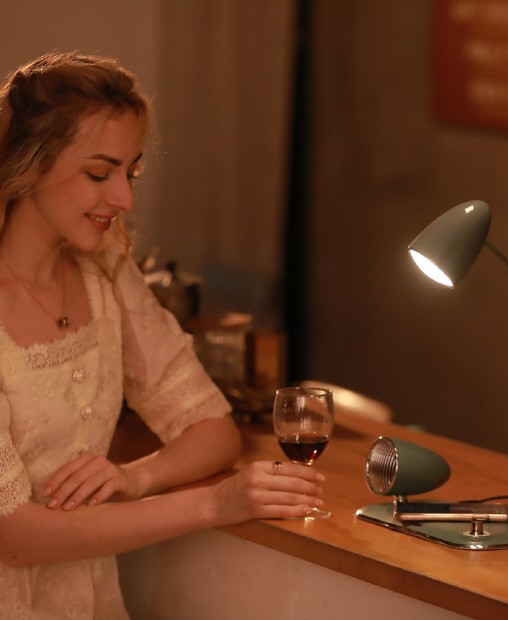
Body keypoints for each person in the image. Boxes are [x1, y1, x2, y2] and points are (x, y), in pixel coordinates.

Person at [0, 51, 324, 619]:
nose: (124, 199)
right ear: (29, 165)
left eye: (130, 173)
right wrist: (216, 504)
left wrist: (136, 476)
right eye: (99, 174)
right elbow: (15, 538)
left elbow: (212, 427)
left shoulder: (106, 275)